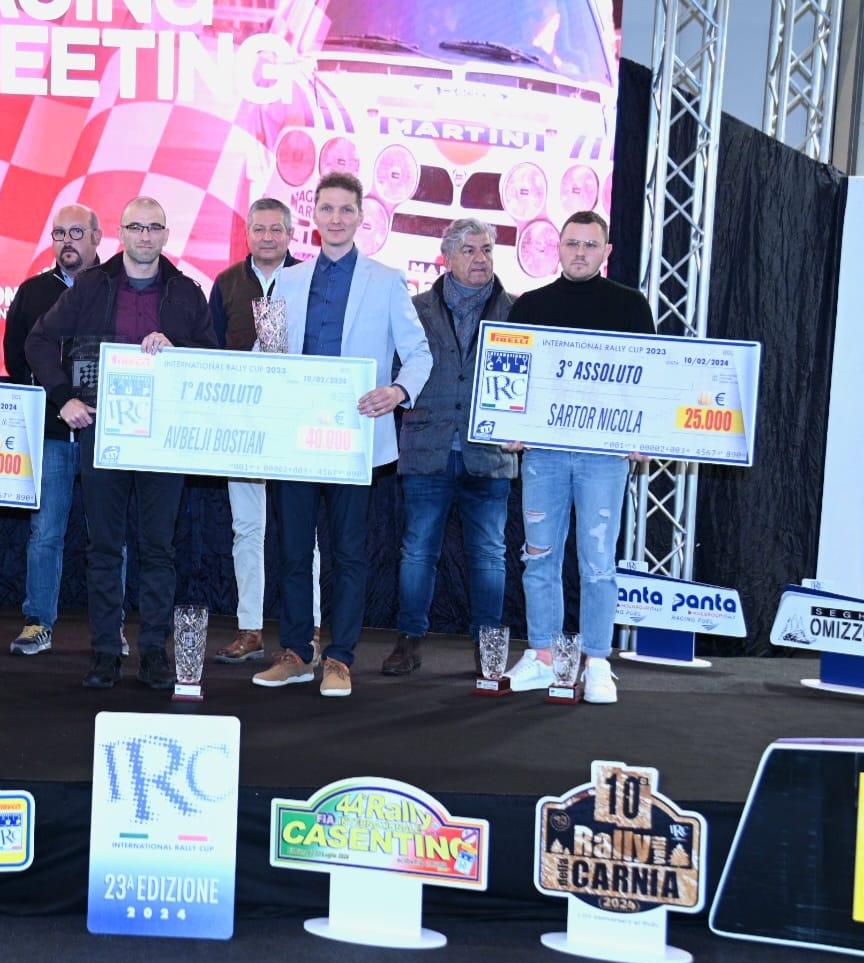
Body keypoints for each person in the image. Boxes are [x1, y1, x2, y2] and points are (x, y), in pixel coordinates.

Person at [251, 171, 431, 698]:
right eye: (326, 209)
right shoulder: (286, 280)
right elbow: (267, 353)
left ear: (360, 217)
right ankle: (296, 653)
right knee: (291, 551)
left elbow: (419, 354)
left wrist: (397, 391)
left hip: (355, 439)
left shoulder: (387, 280)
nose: (335, 218)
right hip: (295, 439)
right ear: (314, 215)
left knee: (349, 554)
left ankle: (340, 659)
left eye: (345, 209)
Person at [24, 196, 215, 689]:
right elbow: (38, 340)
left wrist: (178, 349)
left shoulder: (186, 292)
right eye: (136, 227)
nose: (145, 236)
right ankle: (106, 652)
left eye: (154, 227)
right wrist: (63, 397)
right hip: (103, 434)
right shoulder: (91, 286)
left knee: (158, 550)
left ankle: (153, 653)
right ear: (121, 233)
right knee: (104, 549)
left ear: (166, 234)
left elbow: (213, 357)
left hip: (163, 439)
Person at [501, 210, 656, 704]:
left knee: (599, 563)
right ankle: (543, 655)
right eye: (572, 243)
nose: (580, 252)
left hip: (604, 456)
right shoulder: (530, 305)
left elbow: (650, 377)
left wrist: (644, 434)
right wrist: (508, 427)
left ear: (606, 252)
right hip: (544, 455)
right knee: (538, 557)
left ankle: (597, 662)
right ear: (558, 247)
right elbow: (514, 377)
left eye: (591, 245)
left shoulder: (631, 305)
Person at [382, 218, 516, 675]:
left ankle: (488, 647)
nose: (480, 259)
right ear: (447, 258)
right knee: (418, 551)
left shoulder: (517, 311)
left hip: (492, 452)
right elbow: (395, 371)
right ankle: (408, 640)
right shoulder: (414, 309)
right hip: (427, 446)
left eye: (487, 250)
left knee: (490, 554)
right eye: (469, 250)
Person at [206, 198, 320, 665]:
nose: (268, 237)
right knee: (246, 529)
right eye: (259, 229)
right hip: (244, 424)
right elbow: (211, 351)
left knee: (305, 535)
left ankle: (310, 630)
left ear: (291, 234)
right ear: (247, 234)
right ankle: (249, 628)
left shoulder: (311, 279)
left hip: (296, 422)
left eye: (277, 229)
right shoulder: (227, 282)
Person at [3, 203, 104, 656]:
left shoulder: (117, 288)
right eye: (59, 233)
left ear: (97, 237)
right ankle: (37, 623)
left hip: (106, 436)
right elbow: (16, 358)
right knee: (45, 533)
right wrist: (58, 400)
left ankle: (110, 629)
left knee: (110, 538)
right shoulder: (32, 292)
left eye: (77, 232)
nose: (67, 242)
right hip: (50, 431)